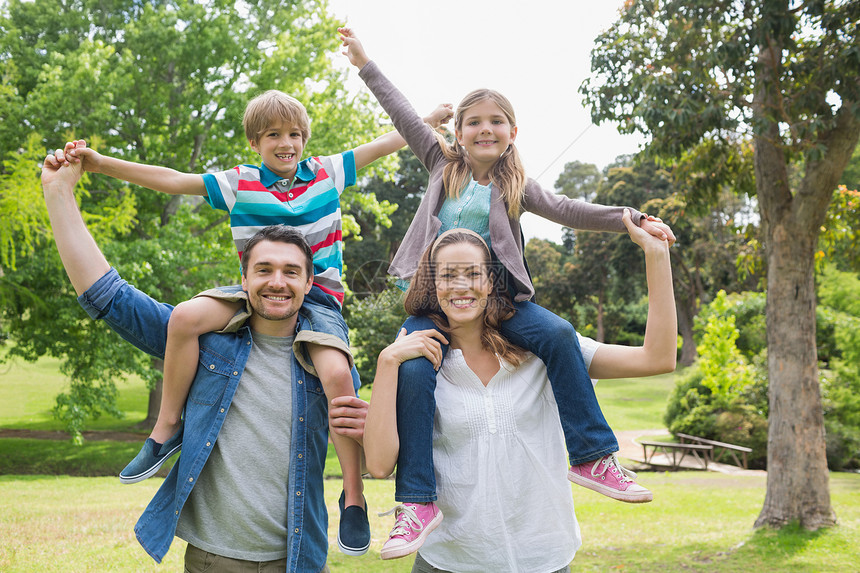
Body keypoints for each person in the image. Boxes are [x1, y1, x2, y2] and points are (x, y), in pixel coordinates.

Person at [59, 91, 452, 555]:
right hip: (254, 295)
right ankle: (165, 429)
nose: (285, 144)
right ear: (254, 141)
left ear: (305, 139)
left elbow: (384, 143)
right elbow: (172, 180)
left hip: (320, 301)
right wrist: (102, 164)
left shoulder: (327, 172)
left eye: (294, 135)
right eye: (273, 136)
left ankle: (352, 495)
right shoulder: (238, 183)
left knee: (336, 375)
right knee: (184, 316)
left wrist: (424, 121)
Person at [339, 27, 677, 554]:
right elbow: (404, 115)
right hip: (434, 301)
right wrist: (366, 64)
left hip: (499, 301)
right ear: (458, 130)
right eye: (473, 121)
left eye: (496, 121)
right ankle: (417, 503)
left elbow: (569, 210)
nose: (485, 129)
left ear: (512, 131)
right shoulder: (440, 164)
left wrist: (629, 217)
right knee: (411, 367)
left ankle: (590, 457)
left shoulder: (516, 184)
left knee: (561, 335)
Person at [41, 151, 369, 572]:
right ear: (243, 276)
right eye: (264, 269)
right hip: (212, 560)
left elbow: (381, 448)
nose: (276, 282)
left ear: (310, 281)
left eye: (291, 272)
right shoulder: (206, 344)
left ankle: (353, 499)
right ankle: (165, 431)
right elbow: (109, 297)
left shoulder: (330, 364)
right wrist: (58, 193)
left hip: (295, 559)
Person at [364, 214, 677, 569]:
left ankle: (594, 461)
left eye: (473, 274)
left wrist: (656, 253)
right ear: (433, 284)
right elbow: (378, 464)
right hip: (450, 562)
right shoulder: (416, 360)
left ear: (492, 282)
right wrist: (387, 363)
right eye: (448, 275)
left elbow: (658, 358)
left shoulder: (547, 350)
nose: (460, 286)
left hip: (543, 559)